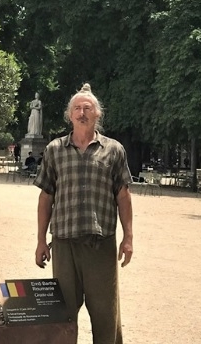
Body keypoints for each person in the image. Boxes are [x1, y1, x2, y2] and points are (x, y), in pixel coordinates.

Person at [33, 83, 133, 344]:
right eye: (77, 108)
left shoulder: (113, 150)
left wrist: (128, 237)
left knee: (105, 314)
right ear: (70, 115)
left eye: (87, 108)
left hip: (101, 244)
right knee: (63, 313)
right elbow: (46, 196)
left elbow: (123, 195)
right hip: (65, 244)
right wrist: (41, 240)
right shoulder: (55, 150)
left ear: (97, 114)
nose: (82, 113)